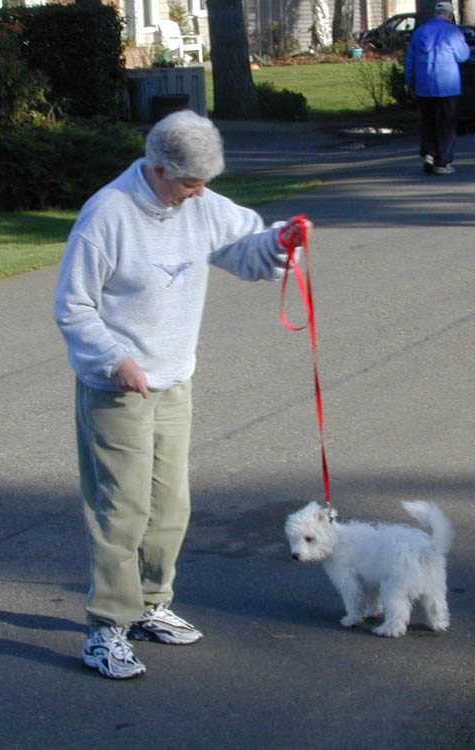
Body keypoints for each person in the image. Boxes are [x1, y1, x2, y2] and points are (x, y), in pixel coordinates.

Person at [54, 110, 312, 680]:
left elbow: (247, 249)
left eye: (206, 183)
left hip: (174, 379)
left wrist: (281, 242)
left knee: (170, 506)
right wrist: (115, 360)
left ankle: (150, 604)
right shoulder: (108, 215)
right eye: (190, 183)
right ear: (158, 168)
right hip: (117, 386)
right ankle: (106, 630)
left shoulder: (200, 204)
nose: (199, 194)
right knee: (121, 510)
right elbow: (73, 306)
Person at [405, 1, 471, 175]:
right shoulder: (452, 31)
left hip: (424, 84)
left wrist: (410, 82)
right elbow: (463, 56)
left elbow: (410, 61)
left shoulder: (420, 32)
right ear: (449, 15)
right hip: (447, 85)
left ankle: (429, 153)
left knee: (428, 121)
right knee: (446, 124)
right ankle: (443, 162)